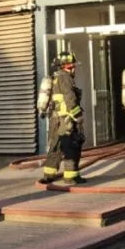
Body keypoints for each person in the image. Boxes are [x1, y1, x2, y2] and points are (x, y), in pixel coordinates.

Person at [39, 51, 87, 185]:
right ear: (68, 66)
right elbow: (70, 98)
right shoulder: (65, 78)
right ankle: (71, 177)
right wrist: (78, 115)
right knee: (71, 146)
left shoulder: (55, 77)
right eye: (73, 66)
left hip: (55, 119)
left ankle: (48, 175)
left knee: (55, 146)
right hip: (67, 119)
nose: (74, 69)